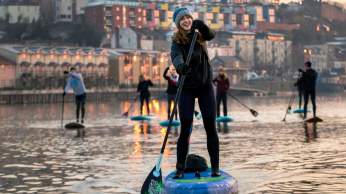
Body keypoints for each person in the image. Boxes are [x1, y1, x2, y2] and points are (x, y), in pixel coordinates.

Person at [171, 7, 220, 178]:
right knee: (185, 128)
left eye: (188, 17)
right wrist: (180, 66)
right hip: (186, 88)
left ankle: (215, 168)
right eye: (182, 19)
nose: (186, 20)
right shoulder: (176, 41)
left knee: (210, 127)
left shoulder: (200, 35)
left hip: (205, 86)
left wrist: (204, 27)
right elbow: (176, 56)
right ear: (178, 24)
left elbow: (211, 35)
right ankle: (179, 169)